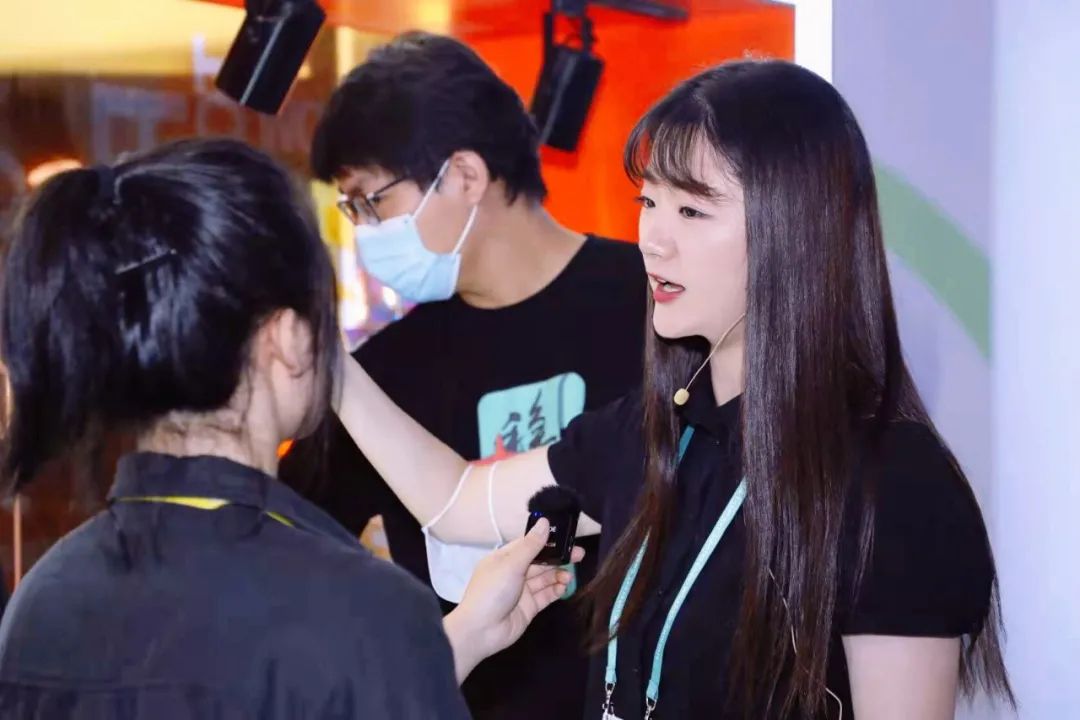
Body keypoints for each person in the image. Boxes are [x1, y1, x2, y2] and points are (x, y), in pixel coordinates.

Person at [333, 60, 1015, 719]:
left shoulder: (891, 483)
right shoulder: (651, 432)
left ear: (794, 228)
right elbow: (457, 501)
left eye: (692, 210)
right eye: (649, 202)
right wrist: (329, 365)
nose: (653, 240)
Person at [0, 138, 580, 717]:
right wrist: (416, 653)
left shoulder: (40, 603)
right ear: (286, 338)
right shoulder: (362, 610)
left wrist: (450, 643)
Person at [280, 31, 646, 719]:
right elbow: (279, 542)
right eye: (350, 210)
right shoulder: (380, 376)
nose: (363, 231)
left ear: (467, 177)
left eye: (370, 202)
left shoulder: (653, 309)